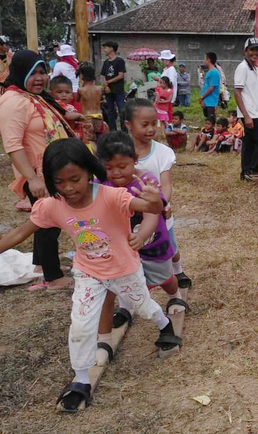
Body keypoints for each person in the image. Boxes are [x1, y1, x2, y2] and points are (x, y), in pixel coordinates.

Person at [0, 138, 180, 412]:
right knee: (81, 324)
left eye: (75, 179)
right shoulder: (52, 206)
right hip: (89, 273)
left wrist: (155, 203)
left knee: (143, 305)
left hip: (124, 269)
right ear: (50, 180)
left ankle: (164, 324)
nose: (69, 188)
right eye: (59, 182)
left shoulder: (112, 196)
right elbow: (18, 233)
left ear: (89, 171)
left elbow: (151, 210)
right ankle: (81, 379)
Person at [95, 131, 186, 366]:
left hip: (152, 244)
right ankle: (125, 306)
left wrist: (143, 234)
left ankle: (175, 296)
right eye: (109, 167)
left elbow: (152, 213)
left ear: (135, 160)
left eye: (122, 166)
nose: (116, 173)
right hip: (120, 249)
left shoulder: (146, 182)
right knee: (118, 282)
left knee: (163, 278)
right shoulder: (100, 185)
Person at [0, 50, 76, 290]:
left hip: (49, 170)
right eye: (34, 73)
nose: (40, 78)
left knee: (45, 220)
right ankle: (53, 278)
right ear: (21, 73)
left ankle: (40, 265)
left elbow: (53, 117)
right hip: (36, 173)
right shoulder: (13, 102)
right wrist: (32, 178)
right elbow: (13, 145)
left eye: (43, 72)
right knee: (48, 223)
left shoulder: (32, 96)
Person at [124, 99, 192, 288]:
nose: (151, 129)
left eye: (154, 123)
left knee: (169, 244)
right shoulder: (122, 152)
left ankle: (178, 270)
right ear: (128, 125)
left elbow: (166, 185)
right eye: (144, 124)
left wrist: (161, 204)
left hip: (158, 209)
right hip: (130, 211)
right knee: (136, 246)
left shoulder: (163, 152)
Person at [235, 38, 258, 182]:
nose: (255, 53)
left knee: (249, 143)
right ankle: (252, 170)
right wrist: (246, 115)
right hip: (249, 113)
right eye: (252, 50)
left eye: (257, 50)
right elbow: (237, 92)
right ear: (245, 51)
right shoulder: (242, 68)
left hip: (256, 111)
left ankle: (245, 172)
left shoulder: (255, 68)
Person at [76, 62, 107, 151]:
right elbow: (101, 99)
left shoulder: (81, 90)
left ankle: (95, 157)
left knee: (90, 141)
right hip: (99, 116)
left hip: (88, 118)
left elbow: (77, 100)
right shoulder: (99, 89)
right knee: (100, 139)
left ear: (82, 76)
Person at [100, 41, 127, 131]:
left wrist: (108, 82)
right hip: (109, 91)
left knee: (122, 110)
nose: (104, 50)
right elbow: (103, 75)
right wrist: (106, 86)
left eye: (106, 48)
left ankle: (124, 130)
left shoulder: (120, 61)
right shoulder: (106, 63)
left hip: (118, 90)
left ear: (111, 48)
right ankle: (113, 130)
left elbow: (121, 75)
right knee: (110, 111)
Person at [199, 52, 220, 123]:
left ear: (209, 60)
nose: (204, 61)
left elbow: (211, 87)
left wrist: (202, 97)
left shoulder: (214, 72)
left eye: (205, 59)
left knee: (211, 122)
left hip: (211, 102)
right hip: (206, 102)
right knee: (207, 122)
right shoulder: (209, 72)